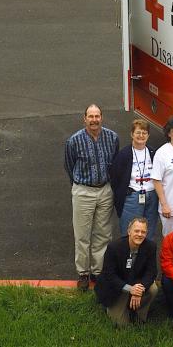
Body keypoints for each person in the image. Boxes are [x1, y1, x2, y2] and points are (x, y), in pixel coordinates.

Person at [64, 103, 120, 290]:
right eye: (91, 116)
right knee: (82, 235)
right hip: (83, 191)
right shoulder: (74, 140)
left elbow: (115, 162)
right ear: (84, 119)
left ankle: (98, 271)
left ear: (101, 117)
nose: (94, 120)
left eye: (97, 116)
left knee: (103, 234)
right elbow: (69, 165)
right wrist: (79, 186)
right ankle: (83, 273)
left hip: (105, 190)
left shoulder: (112, 138)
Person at [95, 217, 158, 326]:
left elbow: (151, 271)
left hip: (136, 283)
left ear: (146, 233)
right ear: (129, 231)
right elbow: (109, 275)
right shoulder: (114, 247)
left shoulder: (151, 246)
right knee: (121, 324)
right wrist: (130, 289)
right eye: (136, 231)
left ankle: (139, 314)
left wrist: (139, 290)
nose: (140, 234)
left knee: (153, 289)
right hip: (116, 286)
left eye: (143, 232)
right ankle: (110, 306)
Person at [108, 118, 159, 243]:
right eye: (138, 132)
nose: (141, 136)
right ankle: (129, 261)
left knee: (148, 234)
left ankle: (145, 261)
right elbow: (115, 179)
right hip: (132, 198)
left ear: (148, 135)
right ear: (132, 134)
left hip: (152, 197)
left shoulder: (153, 152)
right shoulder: (124, 154)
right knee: (130, 234)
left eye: (144, 133)